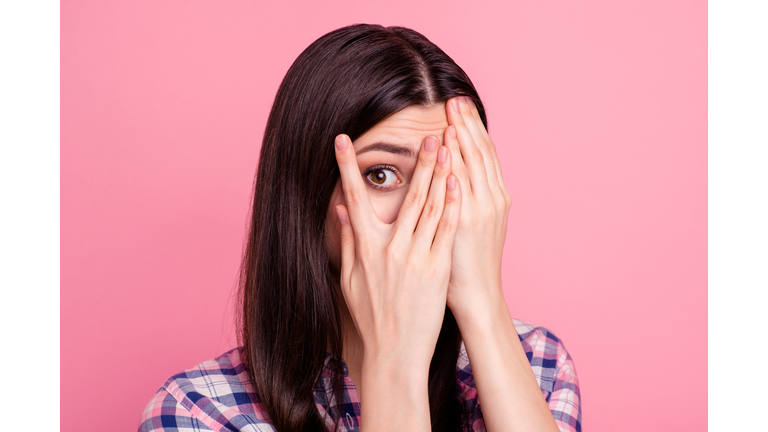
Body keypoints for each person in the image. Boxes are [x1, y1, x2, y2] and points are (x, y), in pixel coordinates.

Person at [139, 24, 581, 432]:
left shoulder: (536, 363)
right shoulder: (200, 411)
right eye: (381, 175)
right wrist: (396, 360)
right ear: (307, 193)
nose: (423, 206)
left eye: (451, 173)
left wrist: (484, 305)